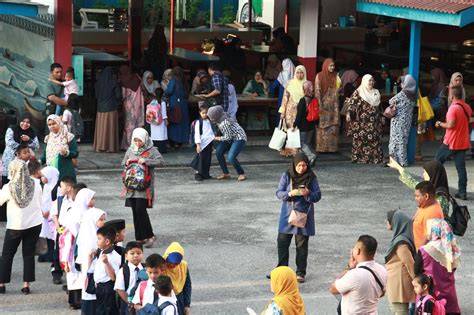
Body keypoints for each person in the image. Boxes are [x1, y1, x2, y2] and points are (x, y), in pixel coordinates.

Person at [274, 153, 321, 283]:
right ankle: (282, 271)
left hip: (304, 216)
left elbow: (317, 196)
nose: (301, 168)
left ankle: (301, 272)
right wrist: (289, 193)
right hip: (288, 214)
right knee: (282, 243)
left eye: (304, 165)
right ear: (294, 165)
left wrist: (308, 193)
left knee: (302, 246)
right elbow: (279, 192)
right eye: (299, 165)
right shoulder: (287, 175)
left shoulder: (311, 178)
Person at [0, 159, 42, 294]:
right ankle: (26, 285)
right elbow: (39, 202)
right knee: (28, 254)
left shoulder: (9, 187)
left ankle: (2, 284)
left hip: (15, 225)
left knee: (7, 254)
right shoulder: (36, 183)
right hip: (34, 223)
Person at [122, 128, 164, 247]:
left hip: (144, 186)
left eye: (139, 141)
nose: (137, 143)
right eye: (135, 141)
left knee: (141, 209)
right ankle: (140, 237)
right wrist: (127, 162)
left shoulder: (151, 150)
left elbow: (161, 161)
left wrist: (146, 161)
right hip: (131, 186)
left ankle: (150, 235)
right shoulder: (130, 150)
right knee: (135, 210)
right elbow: (123, 162)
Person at [330, 235, 387, 315]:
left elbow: (333, 288)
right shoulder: (382, 270)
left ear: (358, 251)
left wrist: (349, 267)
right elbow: (382, 293)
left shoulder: (355, 274)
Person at [414, 219, 461, 314]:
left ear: (433, 231)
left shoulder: (424, 250)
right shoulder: (453, 249)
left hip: (429, 299)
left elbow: (416, 271)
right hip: (450, 299)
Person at [435, 85, 472, 200]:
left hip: (450, 142)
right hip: (463, 142)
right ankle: (462, 192)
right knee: (461, 168)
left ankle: (433, 187)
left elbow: (450, 125)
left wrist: (440, 124)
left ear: (452, 95)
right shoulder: (467, 107)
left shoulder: (453, 108)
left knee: (436, 163)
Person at [1, 113, 40, 213]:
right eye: (23, 121)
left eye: (28, 122)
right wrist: (23, 149)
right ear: (19, 121)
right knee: (7, 185)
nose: (25, 124)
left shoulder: (31, 132)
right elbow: (9, 142)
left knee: (21, 185)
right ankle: (4, 213)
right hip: (10, 162)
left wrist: (29, 140)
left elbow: (37, 146)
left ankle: (18, 209)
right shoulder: (12, 129)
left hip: (24, 164)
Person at [346, 74, 384, 164]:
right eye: (369, 81)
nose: (371, 82)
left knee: (374, 139)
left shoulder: (376, 92)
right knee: (361, 139)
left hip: (374, 121)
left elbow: (380, 107)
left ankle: (374, 158)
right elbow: (352, 105)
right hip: (361, 122)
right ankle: (360, 158)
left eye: (372, 80)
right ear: (364, 82)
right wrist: (349, 114)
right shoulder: (358, 92)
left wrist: (382, 117)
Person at [76, 207, 107, 314]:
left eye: (104, 219)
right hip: (90, 272)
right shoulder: (89, 238)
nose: (104, 222)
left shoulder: (96, 234)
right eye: (101, 219)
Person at [385, 210, 416, 314]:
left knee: (400, 311)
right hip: (398, 285)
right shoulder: (400, 239)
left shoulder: (401, 243)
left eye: (388, 220)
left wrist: (416, 281)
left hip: (400, 287)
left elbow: (410, 264)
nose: (386, 222)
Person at [207, 105, 247, 181]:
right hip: (229, 136)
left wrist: (217, 138)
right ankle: (226, 173)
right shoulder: (220, 117)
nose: (210, 119)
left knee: (231, 157)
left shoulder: (224, 122)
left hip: (238, 138)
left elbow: (228, 137)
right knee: (218, 152)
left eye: (211, 117)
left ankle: (241, 173)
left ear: (216, 116)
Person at [388, 75, 416, 166]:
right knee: (403, 140)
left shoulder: (403, 93)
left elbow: (391, 101)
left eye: (403, 82)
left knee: (395, 140)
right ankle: (403, 161)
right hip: (407, 121)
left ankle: (394, 161)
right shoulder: (412, 94)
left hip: (398, 120)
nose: (401, 84)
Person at [92, 226, 122, 315]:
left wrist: (106, 263)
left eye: (99, 239)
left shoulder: (113, 256)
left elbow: (113, 278)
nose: (97, 241)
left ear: (107, 241)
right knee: (100, 310)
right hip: (100, 287)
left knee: (107, 311)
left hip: (107, 288)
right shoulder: (102, 251)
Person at [41, 115, 79, 182]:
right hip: (51, 172)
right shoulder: (48, 138)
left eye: (54, 123)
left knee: (66, 191)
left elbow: (75, 153)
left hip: (65, 172)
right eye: (49, 125)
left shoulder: (68, 136)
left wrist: (66, 153)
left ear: (59, 123)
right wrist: (39, 162)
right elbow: (45, 155)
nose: (52, 126)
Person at [315, 58, 341, 153]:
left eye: (333, 66)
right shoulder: (320, 76)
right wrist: (319, 105)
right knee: (323, 127)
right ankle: (321, 148)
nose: (332, 67)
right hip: (324, 105)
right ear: (326, 66)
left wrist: (338, 91)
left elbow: (340, 88)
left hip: (334, 105)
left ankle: (332, 148)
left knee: (333, 126)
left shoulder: (336, 76)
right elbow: (317, 91)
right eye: (330, 66)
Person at [279, 65, 307, 157]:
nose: (299, 75)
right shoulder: (290, 83)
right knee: (290, 130)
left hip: (302, 111)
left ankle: (298, 151)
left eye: (301, 72)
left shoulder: (306, 84)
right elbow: (285, 98)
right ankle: (290, 150)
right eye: (298, 72)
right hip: (290, 111)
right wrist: (282, 111)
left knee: (299, 129)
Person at [93, 67, 122, 153]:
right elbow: (118, 95)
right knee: (110, 128)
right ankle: (110, 147)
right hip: (111, 108)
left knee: (101, 128)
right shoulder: (114, 83)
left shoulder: (98, 84)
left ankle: (99, 147)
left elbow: (96, 96)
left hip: (100, 109)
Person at [114, 241, 145, 314]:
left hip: (143, 302)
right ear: (126, 256)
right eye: (132, 253)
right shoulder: (123, 270)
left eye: (139, 253)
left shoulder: (146, 269)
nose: (136, 255)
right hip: (128, 303)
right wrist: (130, 302)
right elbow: (120, 289)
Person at [412, 181, 444, 250]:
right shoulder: (424, 205)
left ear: (426, 196)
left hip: (424, 256)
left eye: (417, 196)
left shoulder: (432, 213)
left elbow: (427, 238)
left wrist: (419, 256)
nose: (415, 198)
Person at [119, 65, 145, 151]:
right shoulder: (137, 78)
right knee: (138, 125)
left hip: (129, 106)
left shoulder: (124, 81)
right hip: (139, 105)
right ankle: (139, 145)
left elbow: (123, 95)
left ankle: (129, 145)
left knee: (129, 126)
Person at [163, 242, 192, 315]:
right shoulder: (160, 266)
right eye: (169, 262)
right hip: (165, 299)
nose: (172, 265)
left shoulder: (183, 266)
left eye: (176, 263)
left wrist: (187, 305)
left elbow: (187, 285)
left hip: (179, 299)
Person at [38, 166, 60, 263]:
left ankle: (50, 255)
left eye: (43, 176)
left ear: (50, 176)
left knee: (51, 236)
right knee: (43, 234)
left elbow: (55, 203)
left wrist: (48, 212)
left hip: (51, 216)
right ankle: (43, 255)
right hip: (43, 215)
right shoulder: (46, 187)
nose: (41, 178)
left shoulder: (56, 189)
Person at [294, 81, 318, 166]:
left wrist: (295, 125)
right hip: (311, 126)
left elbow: (299, 115)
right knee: (307, 143)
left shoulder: (303, 100)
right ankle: (305, 161)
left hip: (303, 126)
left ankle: (311, 156)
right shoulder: (314, 99)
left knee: (301, 143)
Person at [165, 66, 190, 148]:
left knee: (175, 121)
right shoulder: (184, 81)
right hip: (183, 104)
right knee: (183, 121)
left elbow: (169, 91)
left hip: (175, 104)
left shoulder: (173, 80)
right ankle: (182, 141)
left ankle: (175, 141)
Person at [191, 105, 214, 181]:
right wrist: (198, 144)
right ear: (199, 113)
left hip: (209, 142)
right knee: (200, 159)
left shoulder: (209, 121)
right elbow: (197, 134)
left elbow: (210, 132)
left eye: (206, 113)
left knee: (207, 159)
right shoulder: (198, 122)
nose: (205, 114)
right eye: (203, 113)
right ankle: (198, 173)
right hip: (202, 143)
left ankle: (205, 173)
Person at [149, 88, 169, 154]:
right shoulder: (162, 102)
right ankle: (162, 150)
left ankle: (154, 150)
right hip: (160, 122)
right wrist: (166, 120)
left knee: (154, 135)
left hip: (153, 121)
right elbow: (164, 113)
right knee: (161, 135)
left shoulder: (152, 102)